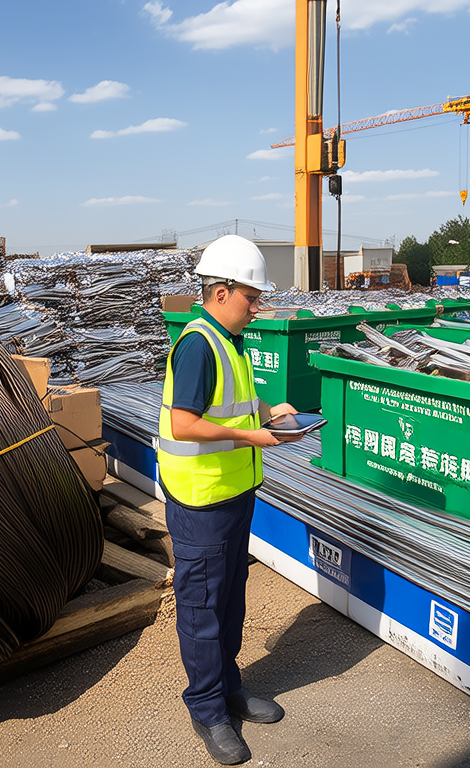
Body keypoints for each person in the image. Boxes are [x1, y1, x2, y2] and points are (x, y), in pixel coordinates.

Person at [157, 235, 304, 765]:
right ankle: (207, 709)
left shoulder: (229, 340)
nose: (257, 306)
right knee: (202, 608)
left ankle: (228, 688)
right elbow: (185, 422)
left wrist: (268, 411)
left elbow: (235, 402)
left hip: (235, 492)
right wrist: (253, 437)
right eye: (251, 296)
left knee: (230, 599)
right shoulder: (198, 343)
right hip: (201, 502)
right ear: (220, 291)